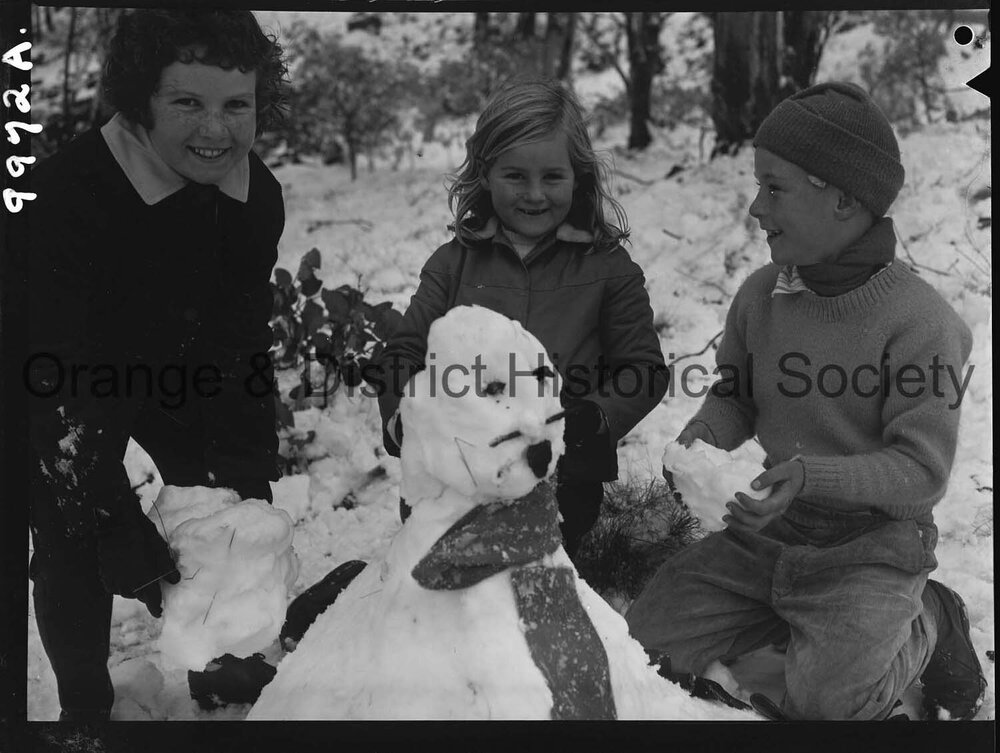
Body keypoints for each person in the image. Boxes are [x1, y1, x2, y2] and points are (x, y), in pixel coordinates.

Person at [625, 82, 987, 721]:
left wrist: (811, 476)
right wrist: (704, 439)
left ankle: (931, 618)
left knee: (831, 704)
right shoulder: (761, 297)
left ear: (844, 197)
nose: (756, 208)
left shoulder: (921, 326)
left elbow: (921, 474)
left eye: (775, 188)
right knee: (643, 643)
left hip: (872, 549)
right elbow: (735, 397)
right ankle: (799, 626)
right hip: (767, 535)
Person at [26, 9, 288, 720]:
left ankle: (223, 675)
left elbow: (239, 344)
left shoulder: (253, 197)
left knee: (226, 505)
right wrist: (112, 513)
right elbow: (49, 376)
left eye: (237, 105)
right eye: (187, 102)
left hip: (182, 366)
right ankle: (83, 706)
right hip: (59, 376)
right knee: (70, 528)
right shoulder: (61, 197)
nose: (216, 130)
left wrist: (244, 480)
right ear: (140, 99)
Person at [375, 78, 669, 560]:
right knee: (438, 586)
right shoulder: (454, 264)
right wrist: (405, 419)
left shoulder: (608, 268)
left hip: (560, 473)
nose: (534, 194)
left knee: (528, 577)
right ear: (486, 175)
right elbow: (404, 352)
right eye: (515, 176)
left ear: (579, 177)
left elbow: (643, 370)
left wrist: (592, 419)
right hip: (457, 470)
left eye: (552, 177)